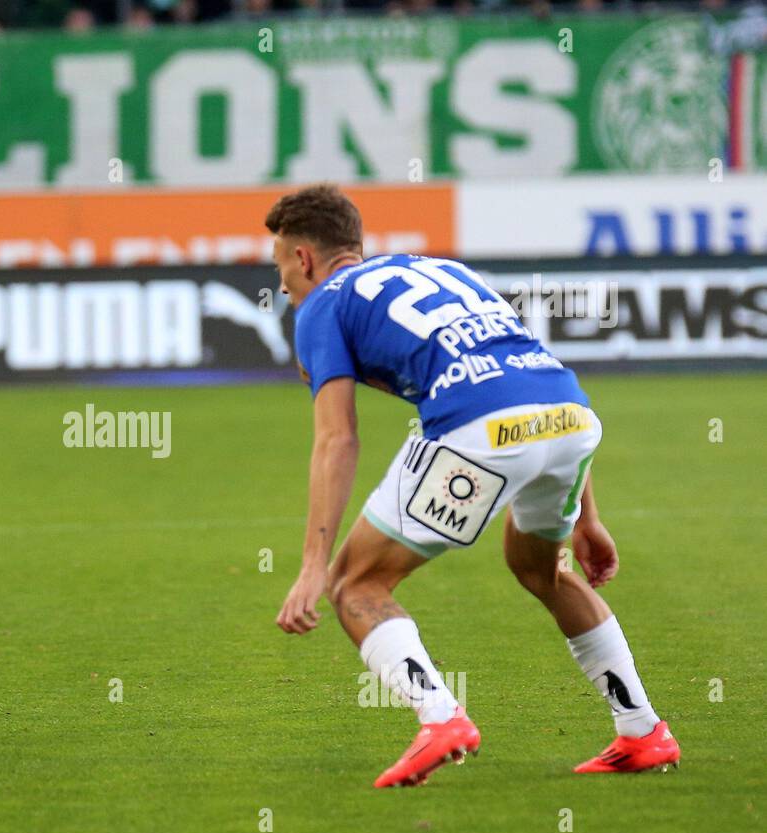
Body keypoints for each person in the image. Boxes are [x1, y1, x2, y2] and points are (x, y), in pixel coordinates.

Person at [268, 184, 679, 787]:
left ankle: (439, 718)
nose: (281, 283)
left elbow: (338, 439)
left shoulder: (322, 305)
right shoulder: (447, 272)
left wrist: (311, 563)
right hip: (569, 419)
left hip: (484, 431)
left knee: (356, 584)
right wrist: (587, 517)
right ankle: (643, 730)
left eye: (280, 264)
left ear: (304, 258)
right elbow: (528, 371)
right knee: (541, 568)